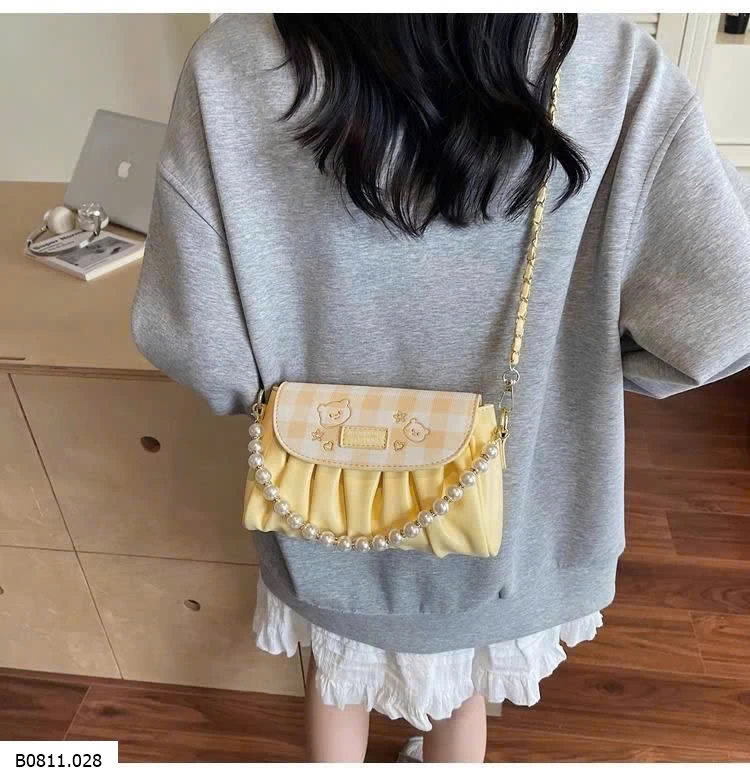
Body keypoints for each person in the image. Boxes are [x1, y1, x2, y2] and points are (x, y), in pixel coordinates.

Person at [131, 13, 750, 763]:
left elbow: (199, 343)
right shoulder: (613, 63)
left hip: (318, 503)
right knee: (463, 688)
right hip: (512, 520)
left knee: (333, 675)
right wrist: (580, 369)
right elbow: (725, 315)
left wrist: (274, 396)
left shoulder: (234, 60)